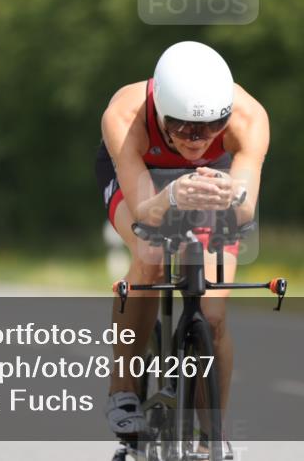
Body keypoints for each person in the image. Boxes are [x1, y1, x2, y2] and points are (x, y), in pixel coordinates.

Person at [96, 41, 269, 450]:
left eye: (211, 127)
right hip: (143, 175)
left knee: (212, 314)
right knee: (151, 254)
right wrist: (173, 196)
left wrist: (231, 195)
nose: (197, 139)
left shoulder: (248, 117)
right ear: (158, 112)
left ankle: (212, 432)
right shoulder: (125, 115)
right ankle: (123, 391)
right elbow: (144, 214)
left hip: (215, 179)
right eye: (183, 127)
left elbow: (244, 212)